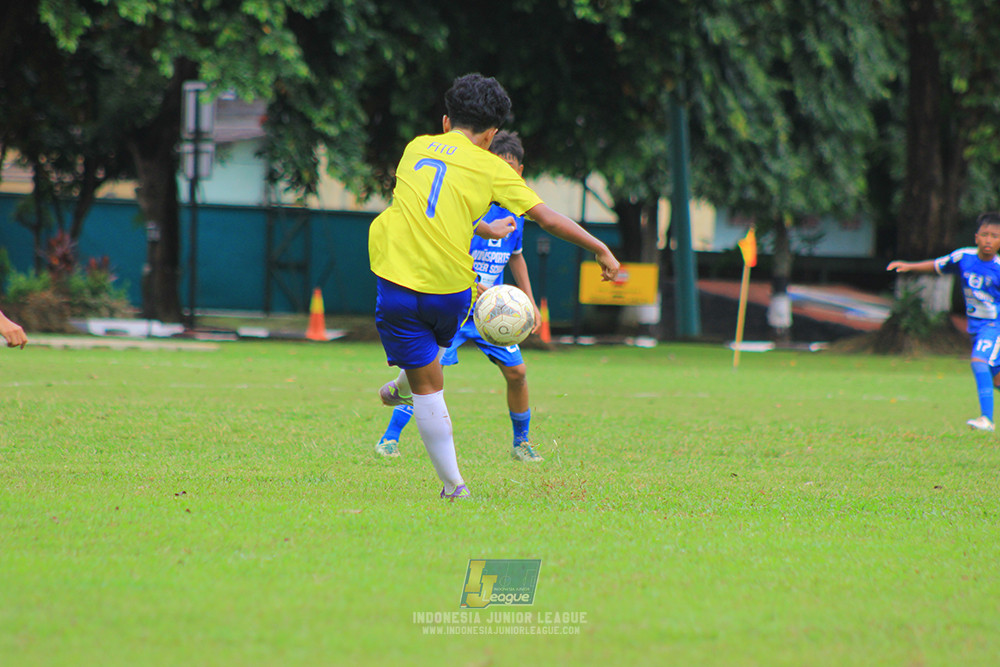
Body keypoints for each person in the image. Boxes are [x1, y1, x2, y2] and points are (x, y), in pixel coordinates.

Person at [369, 73, 620, 500]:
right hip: (451, 293)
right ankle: (441, 459)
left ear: (446, 121)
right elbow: (548, 219)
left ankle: (427, 437)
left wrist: (482, 226)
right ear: (492, 134)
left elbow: (429, 204)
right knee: (429, 374)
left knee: (427, 379)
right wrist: (600, 247)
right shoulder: (491, 167)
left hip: (394, 278)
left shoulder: (415, 148)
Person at [375, 131, 544, 463]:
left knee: (518, 373)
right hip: (455, 304)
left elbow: (517, 256)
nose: (504, 173)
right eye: (497, 165)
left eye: (511, 169)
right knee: (424, 374)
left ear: (519, 172)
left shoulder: (517, 215)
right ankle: (389, 439)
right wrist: (471, 284)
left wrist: (529, 300)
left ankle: (522, 443)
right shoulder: (467, 206)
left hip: (494, 312)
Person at [887, 211, 1000, 431]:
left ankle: (986, 419)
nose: (989, 240)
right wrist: (910, 266)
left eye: (995, 236)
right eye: (985, 234)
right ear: (976, 237)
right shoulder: (963, 257)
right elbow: (938, 265)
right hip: (976, 327)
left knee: (979, 361)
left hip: (994, 326)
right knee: (996, 381)